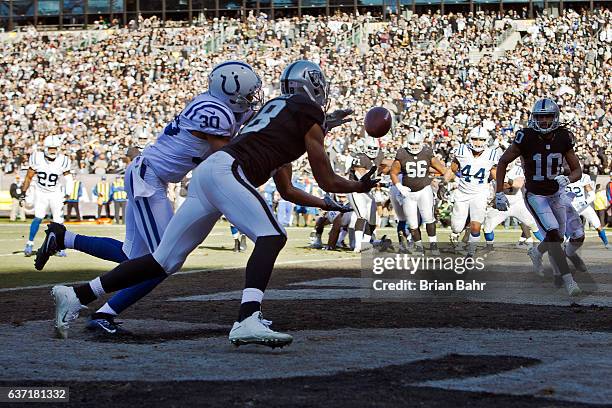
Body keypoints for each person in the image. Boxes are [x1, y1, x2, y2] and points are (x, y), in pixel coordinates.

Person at [49, 60, 373, 348]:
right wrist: (360, 185)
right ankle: (248, 317)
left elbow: (287, 184)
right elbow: (327, 178)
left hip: (209, 175)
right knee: (272, 236)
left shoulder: (277, 117)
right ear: (314, 87)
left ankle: (78, 294)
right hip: (224, 171)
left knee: (164, 259)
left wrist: (323, 137)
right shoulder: (305, 112)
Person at [36, 61, 263, 335]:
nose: (251, 100)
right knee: (163, 261)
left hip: (150, 176)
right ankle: (97, 309)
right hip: (149, 178)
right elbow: (225, 156)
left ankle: (63, 239)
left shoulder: (216, 106)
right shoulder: (213, 113)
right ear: (230, 91)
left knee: (132, 256)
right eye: (248, 94)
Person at [495, 98, 584, 296]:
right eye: (540, 116)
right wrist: (499, 192)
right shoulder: (525, 137)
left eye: (548, 116)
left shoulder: (563, 137)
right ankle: (569, 282)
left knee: (572, 236)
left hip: (557, 193)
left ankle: (536, 251)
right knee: (554, 235)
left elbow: (577, 169)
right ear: (534, 118)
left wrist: (567, 180)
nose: (543, 121)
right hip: (536, 195)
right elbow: (502, 162)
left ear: (556, 117)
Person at [390, 126, 448, 255]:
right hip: (408, 193)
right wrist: (400, 187)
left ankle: (433, 245)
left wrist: (443, 183)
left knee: (429, 218)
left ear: (421, 143)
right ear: (407, 143)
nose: (414, 146)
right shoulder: (402, 153)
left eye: (417, 143)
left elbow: (442, 169)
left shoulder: (427, 152)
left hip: (424, 190)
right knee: (412, 223)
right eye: (412, 143)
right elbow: (393, 173)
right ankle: (418, 247)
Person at [445, 126, 500, 257]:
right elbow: (452, 170)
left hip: (480, 194)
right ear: (470, 139)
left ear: (486, 141)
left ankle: (470, 253)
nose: (477, 142)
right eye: (475, 139)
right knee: (457, 227)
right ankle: (455, 233)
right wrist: (444, 183)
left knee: (476, 226)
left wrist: (500, 192)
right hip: (462, 193)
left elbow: (497, 175)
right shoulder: (461, 151)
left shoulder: (492, 154)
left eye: (481, 140)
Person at [21, 136, 72, 257]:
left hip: (55, 193)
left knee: (59, 221)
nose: (53, 151)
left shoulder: (63, 160)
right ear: (45, 148)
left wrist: (68, 193)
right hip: (41, 192)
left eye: (55, 148)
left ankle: (59, 246)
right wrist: (23, 192)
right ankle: (29, 243)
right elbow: (29, 176)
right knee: (38, 217)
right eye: (50, 148)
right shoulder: (37, 158)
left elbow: (68, 178)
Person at [483, 160, 544, 248]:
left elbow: (517, 185)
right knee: (487, 228)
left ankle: (549, 246)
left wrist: (503, 179)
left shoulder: (517, 169)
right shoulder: (495, 170)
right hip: (501, 205)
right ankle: (489, 247)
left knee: (534, 225)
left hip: (517, 204)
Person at [348, 135, 384, 253]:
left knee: (373, 220)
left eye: (375, 148)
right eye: (370, 148)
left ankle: (365, 243)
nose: (373, 151)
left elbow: (386, 164)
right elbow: (362, 179)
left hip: (368, 192)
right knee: (362, 216)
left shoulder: (379, 156)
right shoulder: (360, 158)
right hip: (356, 191)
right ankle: (358, 245)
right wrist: (375, 177)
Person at [566, 174, 609, 249]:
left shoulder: (583, 177)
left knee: (597, 225)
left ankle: (606, 243)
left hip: (584, 206)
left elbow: (592, 195)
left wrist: (585, 202)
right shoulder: (563, 178)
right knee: (569, 227)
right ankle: (567, 243)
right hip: (572, 207)